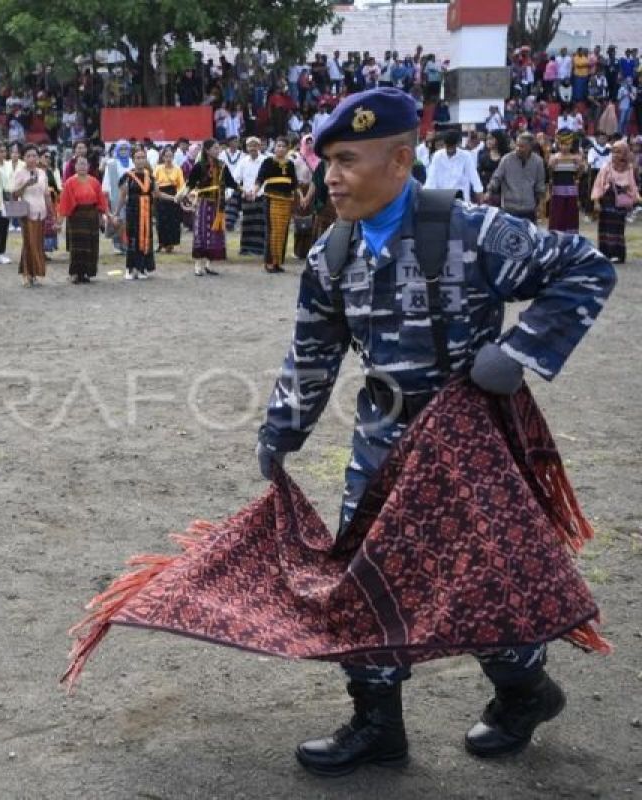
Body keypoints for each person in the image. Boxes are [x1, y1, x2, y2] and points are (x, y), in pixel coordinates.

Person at [255, 86, 615, 776]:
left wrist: (519, 351)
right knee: (362, 577)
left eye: (347, 160)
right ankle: (376, 726)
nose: (329, 175)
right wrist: (282, 431)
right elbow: (313, 354)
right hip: (382, 446)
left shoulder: (472, 231)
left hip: (467, 447)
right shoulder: (332, 255)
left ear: (399, 160)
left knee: (479, 582)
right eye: (325, 160)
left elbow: (585, 268)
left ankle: (524, 694)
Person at [183, 139, 237, 276]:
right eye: (215, 148)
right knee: (201, 233)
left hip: (218, 204)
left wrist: (245, 191)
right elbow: (190, 183)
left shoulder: (222, 166)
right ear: (207, 150)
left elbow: (231, 182)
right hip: (203, 203)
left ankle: (208, 264)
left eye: (218, 148)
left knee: (215, 234)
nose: (218, 150)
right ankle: (198, 265)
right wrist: (182, 194)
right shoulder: (199, 166)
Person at [114, 147, 164, 281]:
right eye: (138, 158)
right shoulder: (128, 177)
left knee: (146, 239)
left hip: (147, 213)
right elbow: (122, 197)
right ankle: (131, 269)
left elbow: (158, 194)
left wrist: (174, 198)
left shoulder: (150, 177)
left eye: (143, 157)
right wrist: (116, 214)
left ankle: (142, 268)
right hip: (133, 212)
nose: (140, 160)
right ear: (133, 159)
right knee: (133, 240)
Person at [57, 155, 108, 283]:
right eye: (79, 164)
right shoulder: (69, 182)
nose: (82, 167)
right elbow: (64, 203)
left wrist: (103, 217)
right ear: (75, 166)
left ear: (88, 166)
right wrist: (60, 221)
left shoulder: (94, 182)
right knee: (77, 247)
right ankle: (75, 273)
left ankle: (86, 273)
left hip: (92, 217)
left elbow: (101, 201)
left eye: (84, 164)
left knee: (91, 246)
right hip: (76, 218)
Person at [590, 140, 639, 263]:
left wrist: (635, 198)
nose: (616, 155)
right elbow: (598, 185)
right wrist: (596, 202)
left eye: (619, 152)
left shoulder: (629, 169)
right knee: (605, 228)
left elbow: (633, 187)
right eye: (614, 152)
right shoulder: (606, 167)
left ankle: (617, 254)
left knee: (617, 229)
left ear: (625, 153)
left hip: (619, 205)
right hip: (606, 203)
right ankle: (605, 253)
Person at [10, 144, 52, 287]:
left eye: (34, 155)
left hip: (41, 211)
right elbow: (14, 194)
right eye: (28, 156)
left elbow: (46, 194)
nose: (32, 159)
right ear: (23, 158)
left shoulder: (41, 173)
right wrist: (26, 184)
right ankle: (26, 274)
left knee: (38, 244)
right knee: (29, 243)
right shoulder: (20, 173)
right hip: (27, 211)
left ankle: (34, 273)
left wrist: (52, 213)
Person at [255, 137, 298, 273]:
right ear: (274, 148)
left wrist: (302, 197)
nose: (280, 148)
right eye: (278, 146)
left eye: (283, 146)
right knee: (272, 230)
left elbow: (294, 182)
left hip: (286, 200)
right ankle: (269, 262)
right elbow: (260, 178)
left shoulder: (290, 164)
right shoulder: (268, 162)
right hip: (271, 198)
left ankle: (278, 262)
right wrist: (254, 191)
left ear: (287, 148)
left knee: (283, 231)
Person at [486, 133, 546, 223]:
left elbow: (540, 185)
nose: (518, 149)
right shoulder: (506, 159)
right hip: (509, 208)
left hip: (529, 209)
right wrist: (489, 191)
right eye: (517, 145)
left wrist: (540, 205)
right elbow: (496, 178)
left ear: (530, 147)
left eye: (522, 146)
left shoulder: (538, 162)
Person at [425, 129, 483, 202]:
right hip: (441, 196)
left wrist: (479, 191)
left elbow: (473, 175)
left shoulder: (466, 156)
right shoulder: (437, 156)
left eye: (452, 146)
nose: (449, 149)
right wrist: (427, 194)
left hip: (460, 196)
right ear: (444, 144)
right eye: (447, 146)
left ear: (457, 144)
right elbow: (432, 177)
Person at [236, 137, 268, 257]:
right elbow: (236, 178)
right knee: (247, 223)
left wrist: (258, 191)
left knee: (260, 223)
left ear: (259, 147)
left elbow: (266, 180)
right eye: (250, 146)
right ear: (246, 148)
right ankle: (246, 248)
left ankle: (260, 249)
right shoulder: (243, 161)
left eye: (255, 145)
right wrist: (243, 191)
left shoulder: (265, 160)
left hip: (261, 196)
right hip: (246, 196)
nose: (252, 148)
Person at [546, 135, 584, 234]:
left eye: (567, 144)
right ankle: (555, 236)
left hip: (571, 191)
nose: (565, 147)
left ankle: (571, 237)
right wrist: (551, 166)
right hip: (557, 190)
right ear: (559, 144)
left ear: (571, 145)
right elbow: (550, 175)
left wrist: (580, 167)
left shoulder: (576, 158)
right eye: (562, 144)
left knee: (571, 215)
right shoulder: (553, 157)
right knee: (557, 215)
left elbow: (579, 175)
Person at [153, 146, 185, 252]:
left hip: (174, 196)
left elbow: (181, 185)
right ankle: (161, 243)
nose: (168, 158)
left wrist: (180, 196)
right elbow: (153, 182)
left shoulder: (177, 169)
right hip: (160, 196)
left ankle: (170, 244)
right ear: (163, 157)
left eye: (170, 156)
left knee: (173, 222)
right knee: (161, 221)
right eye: (166, 156)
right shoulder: (158, 168)